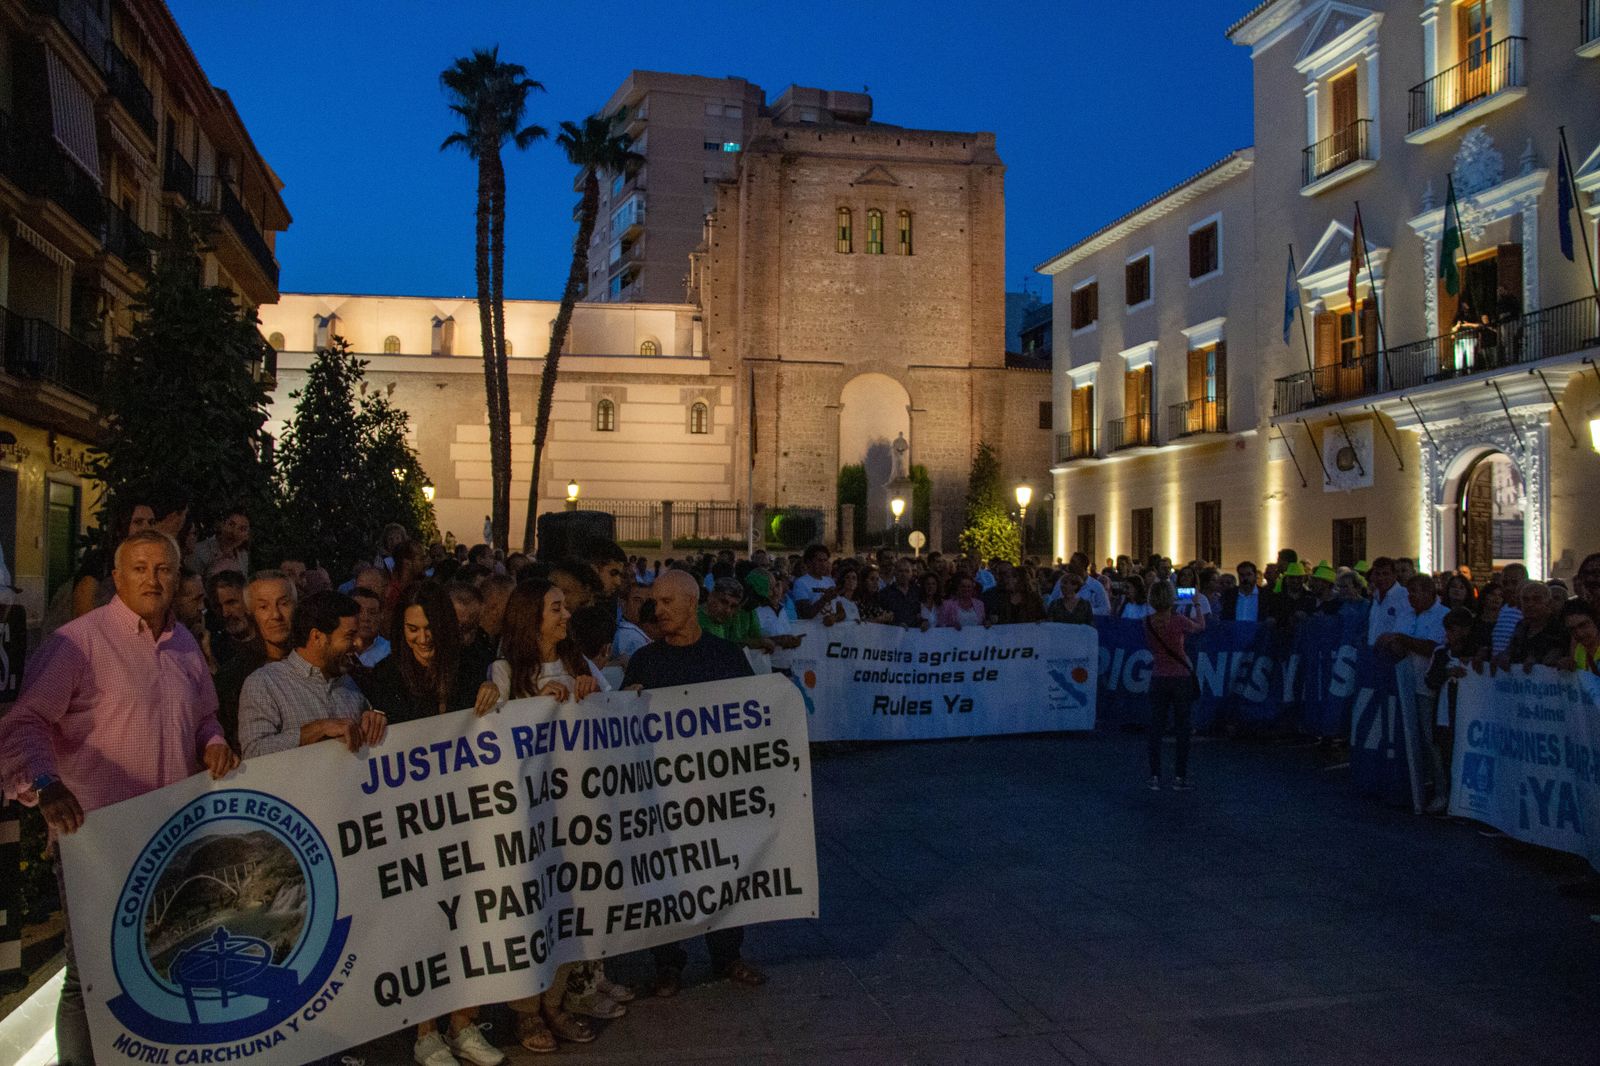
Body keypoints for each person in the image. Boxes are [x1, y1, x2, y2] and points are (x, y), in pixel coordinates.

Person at [0, 530, 238, 1066]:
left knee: (162, 961)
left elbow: (205, 716)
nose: (152, 579)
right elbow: (26, 722)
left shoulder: (184, 645)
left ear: (177, 577)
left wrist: (213, 743)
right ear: (117, 577)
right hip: (96, 838)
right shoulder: (77, 643)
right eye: (140, 568)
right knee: (90, 975)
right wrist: (46, 783)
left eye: (163, 569)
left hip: (171, 837)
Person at [357, 582, 502, 1066]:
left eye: (429, 629)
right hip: (413, 825)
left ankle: (463, 1024)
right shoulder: (384, 676)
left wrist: (493, 694)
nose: (422, 639)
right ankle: (425, 1032)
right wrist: (371, 724)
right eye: (411, 629)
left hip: (468, 815)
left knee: (472, 920)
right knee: (423, 924)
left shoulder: (471, 666)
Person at [482, 579, 624, 1052]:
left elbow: (615, 709)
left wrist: (591, 691)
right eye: (556, 609)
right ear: (533, 618)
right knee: (532, 907)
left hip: (576, 808)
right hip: (531, 812)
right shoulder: (504, 670)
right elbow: (494, 736)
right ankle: (526, 1012)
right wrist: (533, 704)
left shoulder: (576, 661)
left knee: (569, 906)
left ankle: (555, 1002)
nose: (566, 616)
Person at [620, 569, 766, 997]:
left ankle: (727, 954)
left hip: (716, 792)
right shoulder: (645, 662)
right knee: (666, 877)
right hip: (663, 794)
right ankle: (668, 963)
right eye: (655, 602)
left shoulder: (726, 656)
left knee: (724, 870)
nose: (658, 610)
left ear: (692, 603)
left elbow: (752, 716)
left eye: (668, 602)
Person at [237, 590, 386, 759]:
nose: (357, 643)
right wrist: (316, 730)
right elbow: (254, 752)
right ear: (317, 637)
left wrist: (374, 721)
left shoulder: (353, 680)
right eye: (350, 636)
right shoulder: (264, 683)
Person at [1376, 576, 1451, 814]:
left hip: (1430, 688)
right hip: (1405, 686)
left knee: (1432, 741)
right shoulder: (1406, 613)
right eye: (1409, 593)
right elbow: (1396, 643)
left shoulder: (1443, 615)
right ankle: (1417, 786)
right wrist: (1393, 643)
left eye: (1415, 593)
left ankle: (1442, 791)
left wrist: (1402, 640)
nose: (1411, 598)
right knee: (1411, 739)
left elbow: (1433, 648)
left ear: (1430, 592)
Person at [214, 571, 298, 749]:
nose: (276, 615)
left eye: (283, 603)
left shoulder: (317, 662)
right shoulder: (233, 677)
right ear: (249, 612)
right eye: (263, 607)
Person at [1143, 579, 1205, 790]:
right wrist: (1197, 603)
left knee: (1156, 727)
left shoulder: (1147, 621)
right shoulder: (1178, 620)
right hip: (1180, 676)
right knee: (1182, 728)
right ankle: (1180, 777)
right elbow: (1200, 626)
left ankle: (1154, 776)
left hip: (1159, 675)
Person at [1501, 581, 1568, 671]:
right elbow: (1510, 651)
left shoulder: (1560, 630)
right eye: (1525, 600)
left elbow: (1558, 656)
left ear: (1549, 603)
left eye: (1536, 599)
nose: (1530, 604)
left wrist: (1539, 661)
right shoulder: (1520, 627)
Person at [204, 569, 253, 671]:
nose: (225, 613)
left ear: (248, 599)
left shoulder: (270, 636)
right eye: (217, 606)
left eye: (231, 603)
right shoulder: (215, 650)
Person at [190, 507, 252, 578]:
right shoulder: (200, 551)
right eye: (231, 525)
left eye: (242, 529)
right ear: (222, 525)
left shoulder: (242, 555)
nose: (234, 532)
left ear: (247, 535)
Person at [1365, 557, 1412, 646]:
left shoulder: (1405, 597)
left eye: (1385, 574)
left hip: (1393, 651)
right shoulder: (1375, 597)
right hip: (1372, 650)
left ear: (1394, 575)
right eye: (1377, 574)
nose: (1381, 578)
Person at [791, 544, 839, 620]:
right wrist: (824, 599)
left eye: (825, 560)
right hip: (812, 627)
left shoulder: (830, 581)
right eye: (819, 560)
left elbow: (838, 608)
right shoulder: (800, 583)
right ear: (809, 562)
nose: (823, 564)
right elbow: (805, 614)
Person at [877, 558, 922, 627]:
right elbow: (881, 617)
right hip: (893, 631)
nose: (903, 574)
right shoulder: (884, 593)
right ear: (894, 573)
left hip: (914, 631)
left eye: (907, 571)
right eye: (900, 571)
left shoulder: (918, 591)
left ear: (911, 573)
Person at [352, 586, 391, 666]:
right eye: (359, 612)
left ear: (381, 616)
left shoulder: (389, 651)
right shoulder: (338, 649)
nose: (365, 618)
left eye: (372, 613)